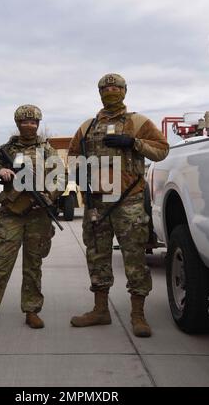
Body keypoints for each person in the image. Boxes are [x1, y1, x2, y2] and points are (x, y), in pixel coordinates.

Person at [68, 73, 169, 337]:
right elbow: (73, 157)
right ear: (99, 92)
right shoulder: (88, 126)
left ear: (125, 90)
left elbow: (162, 150)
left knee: (134, 259)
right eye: (106, 88)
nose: (111, 91)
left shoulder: (138, 122)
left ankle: (138, 314)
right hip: (98, 203)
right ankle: (100, 310)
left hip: (129, 203)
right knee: (97, 257)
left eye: (116, 87)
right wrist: (79, 175)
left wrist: (133, 142)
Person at [0, 104, 63, 334]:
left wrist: (48, 195)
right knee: (1, 265)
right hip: (11, 214)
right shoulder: (7, 150)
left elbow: (60, 178)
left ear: (38, 124)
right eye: (25, 122)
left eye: (33, 122)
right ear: (18, 124)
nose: (29, 126)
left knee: (33, 265)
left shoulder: (47, 150)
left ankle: (32, 310)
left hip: (38, 215)